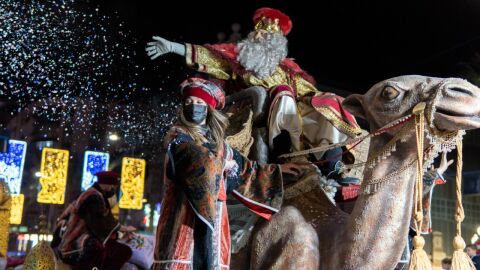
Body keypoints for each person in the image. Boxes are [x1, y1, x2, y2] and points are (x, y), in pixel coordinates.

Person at [146, 7, 361, 183]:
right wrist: (174, 47)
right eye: (256, 33)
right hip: (259, 114)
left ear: (276, 43)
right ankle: (285, 153)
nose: (258, 36)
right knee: (282, 92)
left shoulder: (288, 71)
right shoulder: (238, 61)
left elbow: (309, 91)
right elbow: (209, 56)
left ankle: (332, 164)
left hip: (296, 117)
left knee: (328, 102)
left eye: (265, 34)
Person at [153, 77, 304, 270]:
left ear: (208, 108)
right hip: (183, 222)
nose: (194, 106)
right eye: (189, 102)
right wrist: (222, 164)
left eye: (199, 102)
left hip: (216, 224)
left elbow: (245, 169)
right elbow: (197, 159)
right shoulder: (178, 139)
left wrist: (279, 170)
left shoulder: (221, 146)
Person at [51, 171, 136, 270]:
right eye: (113, 187)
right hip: (75, 242)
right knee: (121, 251)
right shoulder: (93, 197)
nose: (113, 190)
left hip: (78, 239)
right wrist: (122, 229)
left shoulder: (91, 194)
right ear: (107, 185)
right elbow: (100, 222)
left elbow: (104, 220)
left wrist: (118, 232)